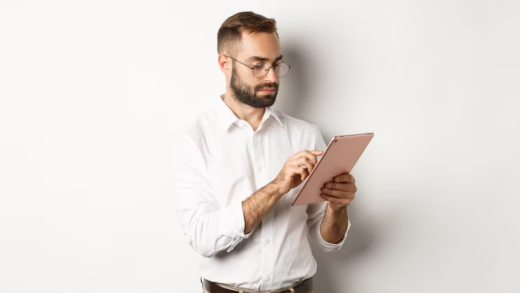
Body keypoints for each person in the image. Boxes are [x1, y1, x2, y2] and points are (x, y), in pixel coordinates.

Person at [169, 11, 357, 293]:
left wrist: (338, 208)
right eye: (258, 66)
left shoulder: (306, 135)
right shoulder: (193, 141)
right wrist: (277, 187)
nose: (271, 76)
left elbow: (327, 241)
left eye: (276, 64)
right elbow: (202, 237)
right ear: (225, 64)